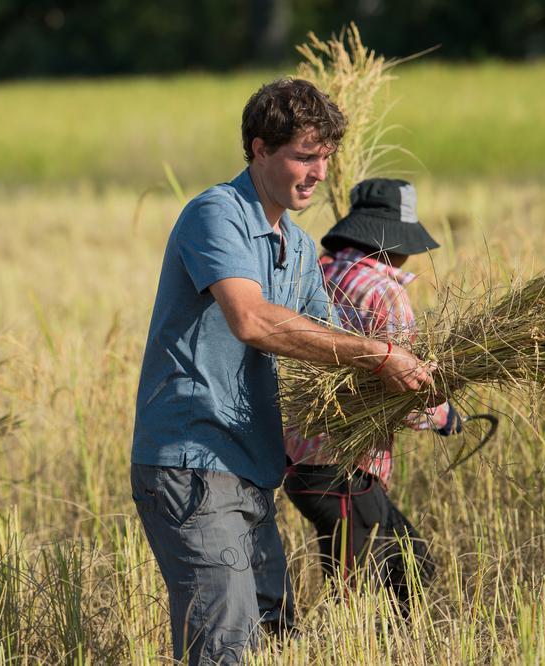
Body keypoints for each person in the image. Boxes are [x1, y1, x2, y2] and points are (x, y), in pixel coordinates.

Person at [131, 80, 437, 664]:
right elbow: (251, 319)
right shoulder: (213, 216)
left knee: (273, 634)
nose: (319, 171)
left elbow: (323, 360)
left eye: (325, 157)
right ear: (258, 149)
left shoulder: (296, 248)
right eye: (304, 155)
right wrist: (378, 356)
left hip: (253, 470)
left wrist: (422, 382)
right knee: (225, 643)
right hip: (192, 464)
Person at [284, 178, 461, 618]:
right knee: (358, 600)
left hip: (302, 462)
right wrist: (442, 415)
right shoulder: (385, 294)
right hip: (343, 467)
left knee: (410, 567)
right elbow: (402, 389)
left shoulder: (317, 272)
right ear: (392, 242)